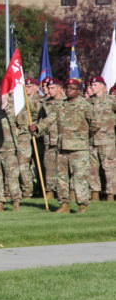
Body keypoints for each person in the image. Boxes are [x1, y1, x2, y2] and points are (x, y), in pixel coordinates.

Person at [30, 78, 97, 213]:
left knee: (80, 177)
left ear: (79, 91)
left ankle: (82, 205)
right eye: (67, 88)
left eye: (72, 88)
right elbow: (49, 119)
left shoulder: (85, 105)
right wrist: (37, 127)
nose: (68, 90)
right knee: (61, 178)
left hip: (79, 148)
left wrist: (82, 136)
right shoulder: (61, 105)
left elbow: (95, 124)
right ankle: (64, 204)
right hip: (61, 147)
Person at [0, 91, 23, 211]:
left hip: (10, 149)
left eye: (4, 95)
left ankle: (16, 202)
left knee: (12, 177)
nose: (1, 98)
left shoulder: (15, 111)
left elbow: (23, 127)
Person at [87, 76, 116, 201]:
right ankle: (95, 193)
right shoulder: (88, 102)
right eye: (92, 85)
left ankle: (111, 194)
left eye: (95, 85)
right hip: (91, 140)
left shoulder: (111, 100)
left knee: (109, 168)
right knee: (92, 168)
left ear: (103, 86)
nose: (93, 87)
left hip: (107, 140)